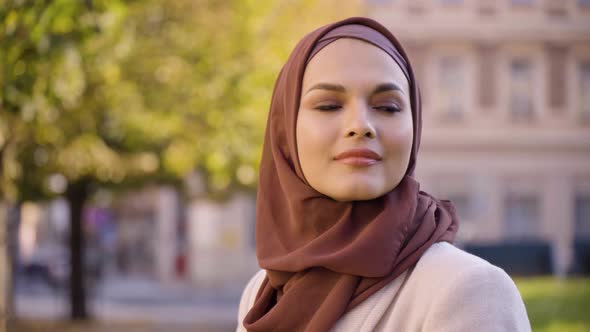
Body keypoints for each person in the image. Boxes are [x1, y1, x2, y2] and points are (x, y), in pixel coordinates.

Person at [237, 17, 531, 332]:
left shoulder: (468, 290)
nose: (360, 125)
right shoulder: (260, 293)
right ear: (285, 131)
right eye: (328, 105)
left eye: (388, 107)